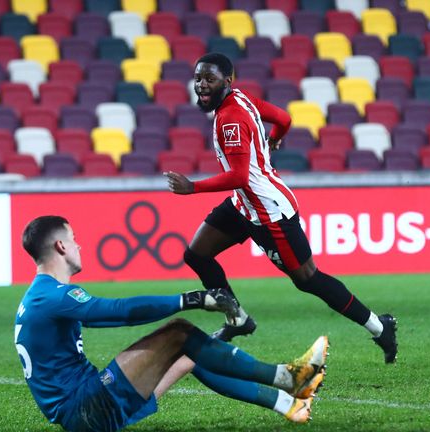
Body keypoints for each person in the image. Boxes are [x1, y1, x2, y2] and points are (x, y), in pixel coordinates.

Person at [163, 52, 398, 364]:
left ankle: (380, 327)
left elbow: (238, 175)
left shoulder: (231, 117)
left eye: (210, 79)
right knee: (196, 254)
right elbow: (284, 118)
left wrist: (192, 187)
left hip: (269, 213)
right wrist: (274, 141)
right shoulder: (238, 100)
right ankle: (237, 319)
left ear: (228, 81)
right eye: (198, 79)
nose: (202, 85)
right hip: (243, 204)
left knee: (308, 279)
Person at [15, 215, 329, 431]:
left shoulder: (40, 295)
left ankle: (287, 403)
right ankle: (288, 377)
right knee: (180, 332)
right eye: (73, 239)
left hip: (86, 408)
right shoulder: (50, 295)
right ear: (60, 247)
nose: (78, 245)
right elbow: (115, 312)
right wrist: (191, 298)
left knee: (191, 353)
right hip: (85, 408)